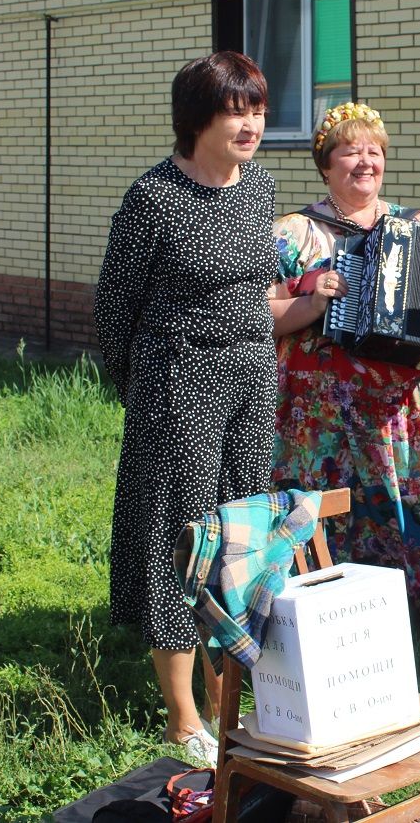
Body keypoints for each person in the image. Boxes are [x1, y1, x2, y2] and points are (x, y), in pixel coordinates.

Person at [94, 51, 279, 765]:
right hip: (179, 382)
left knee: (240, 534)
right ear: (197, 117)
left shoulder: (259, 189)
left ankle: (229, 693)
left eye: (257, 108)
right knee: (181, 538)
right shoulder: (154, 199)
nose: (251, 123)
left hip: (251, 380)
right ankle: (182, 718)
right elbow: (114, 312)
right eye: (237, 109)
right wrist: (143, 388)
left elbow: (257, 289)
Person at [266, 101, 420, 637]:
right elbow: (261, 316)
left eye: (374, 152)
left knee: (415, 498)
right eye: (350, 152)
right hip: (321, 411)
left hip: (404, 403)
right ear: (326, 165)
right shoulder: (293, 232)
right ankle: (322, 616)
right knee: (324, 505)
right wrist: (312, 304)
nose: (365, 162)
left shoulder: (417, 227)